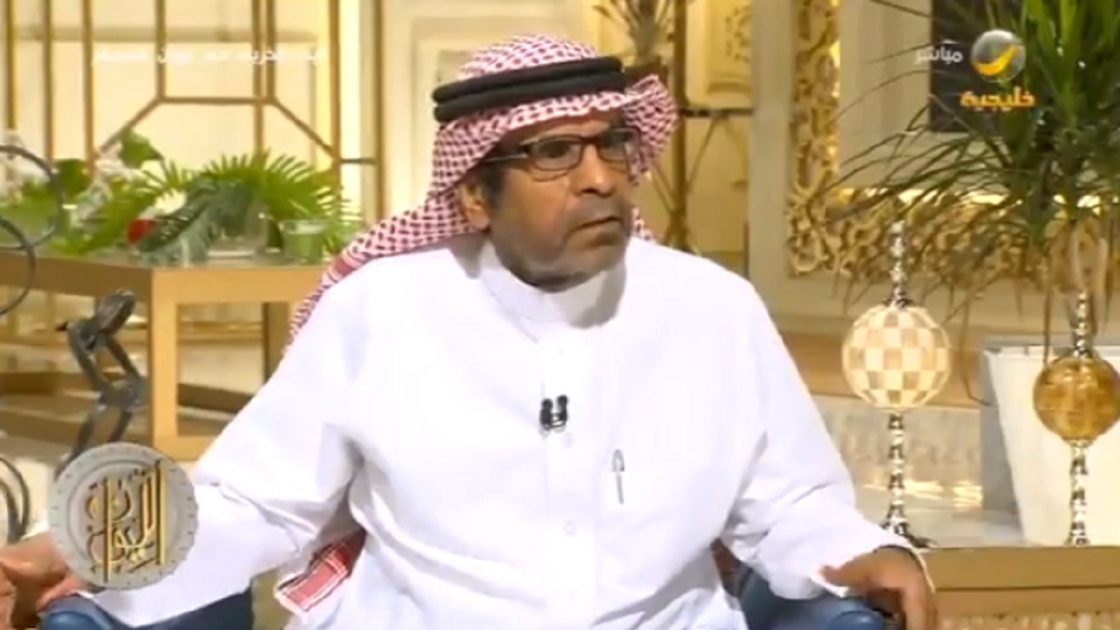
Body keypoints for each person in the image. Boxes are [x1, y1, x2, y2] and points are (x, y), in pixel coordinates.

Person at [0, 34, 936, 630]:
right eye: (554, 153)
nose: (600, 177)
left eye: (612, 145)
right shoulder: (383, 311)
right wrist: (86, 547)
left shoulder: (711, 309)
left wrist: (869, 553)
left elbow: (788, 503)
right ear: (475, 195)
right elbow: (258, 501)